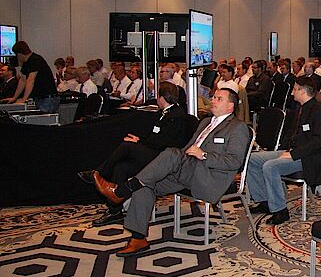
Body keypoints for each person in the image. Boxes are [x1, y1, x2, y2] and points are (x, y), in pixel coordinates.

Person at [91, 87, 250, 257]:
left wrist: (204, 155)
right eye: (214, 97)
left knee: (171, 153)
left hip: (208, 177)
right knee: (145, 183)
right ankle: (138, 239)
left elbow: (235, 161)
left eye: (219, 98)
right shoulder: (205, 122)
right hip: (187, 172)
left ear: (230, 106)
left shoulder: (237, 128)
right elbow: (187, 148)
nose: (213, 100)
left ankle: (121, 192)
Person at [79, 83, 188, 226]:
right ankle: (114, 211)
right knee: (121, 168)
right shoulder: (162, 114)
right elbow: (153, 137)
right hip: (154, 152)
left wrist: (139, 142)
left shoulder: (178, 116)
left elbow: (166, 142)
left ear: (161, 97)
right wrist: (140, 140)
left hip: (164, 159)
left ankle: (98, 173)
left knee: (127, 147)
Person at [247, 76, 321, 224]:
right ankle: (264, 200)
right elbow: (292, 134)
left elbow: (318, 142)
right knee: (252, 159)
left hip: (308, 157)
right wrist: (282, 150)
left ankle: (280, 210)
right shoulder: (300, 108)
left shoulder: (319, 111)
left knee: (270, 166)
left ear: (303, 91)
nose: (292, 93)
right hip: (292, 151)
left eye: (294, 89)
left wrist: (293, 154)